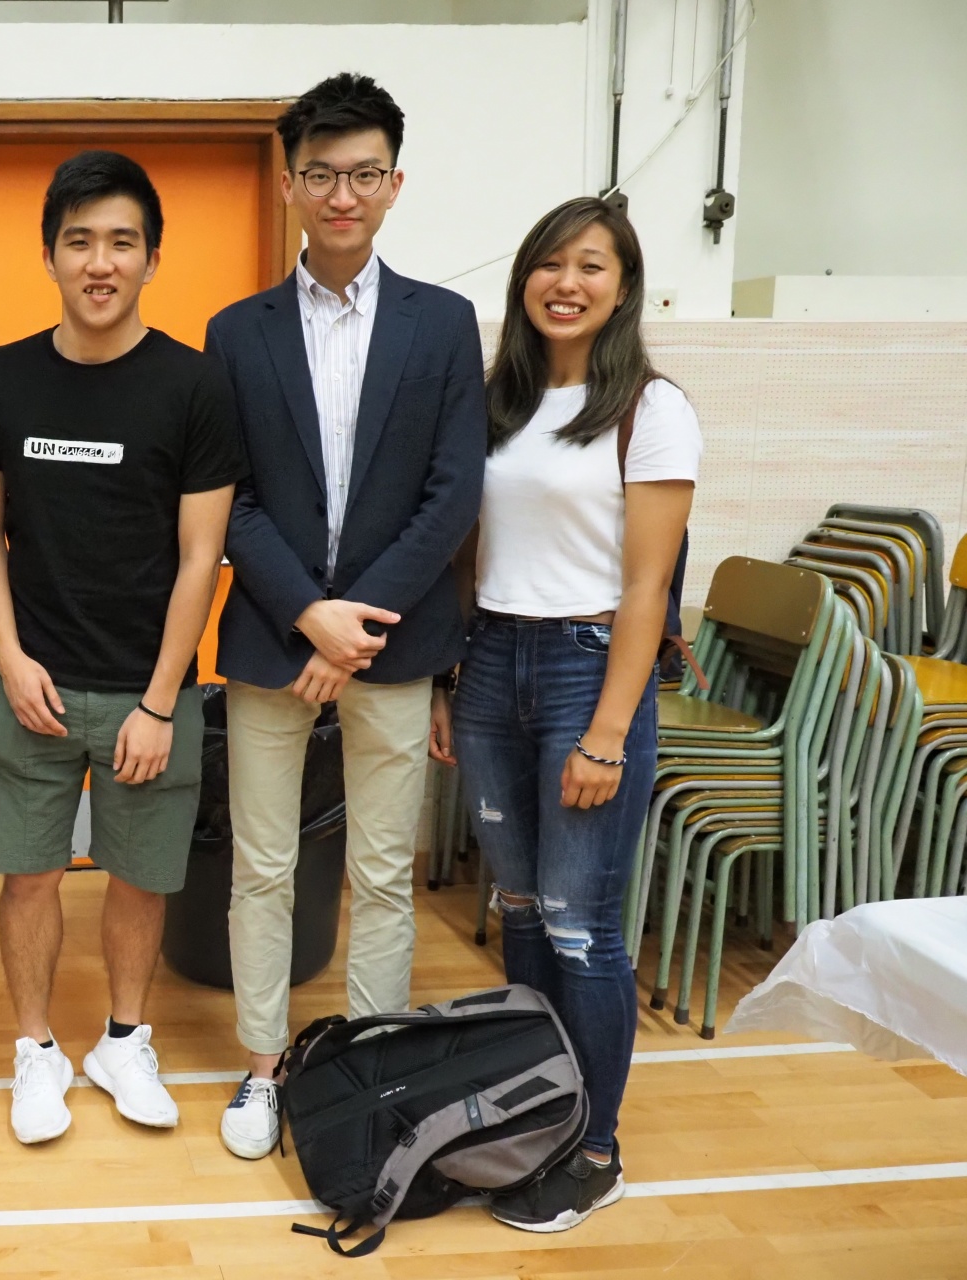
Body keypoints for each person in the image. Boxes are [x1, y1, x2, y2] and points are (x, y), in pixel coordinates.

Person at [203, 72, 488, 1161]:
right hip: (271, 636)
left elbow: (451, 494)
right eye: (320, 173)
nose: (341, 194)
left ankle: (369, 1066)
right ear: (288, 184)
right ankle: (263, 1065)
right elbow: (230, 496)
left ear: (394, 184)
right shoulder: (237, 332)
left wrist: (354, 625)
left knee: (380, 872)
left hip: (397, 643)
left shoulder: (444, 323)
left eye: (364, 174)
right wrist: (308, 612)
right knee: (262, 866)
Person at [0, 151, 244, 1146]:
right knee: (28, 875)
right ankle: (36, 1049)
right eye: (79, 240)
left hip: (147, 691)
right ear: (49, 254)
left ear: (152, 258)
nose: (100, 261)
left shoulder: (194, 384)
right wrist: (7, 655)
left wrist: (162, 700)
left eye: (122, 242)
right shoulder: (0, 377)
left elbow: (203, 553)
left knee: (141, 873)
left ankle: (124, 1041)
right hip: (31, 682)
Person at [433, 197, 698, 1231]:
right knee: (524, 912)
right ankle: (543, 1117)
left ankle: (596, 1151)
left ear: (623, 287)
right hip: (493, 662)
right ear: (524, 280)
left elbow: (647, 589)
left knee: (583, 929)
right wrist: (453, 681)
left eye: (591, 265)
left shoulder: (651, 408)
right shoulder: (498, 401)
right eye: (550, 263)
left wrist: (607, 732)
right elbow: (469, 552)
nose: (567, 283)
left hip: (589, 671)